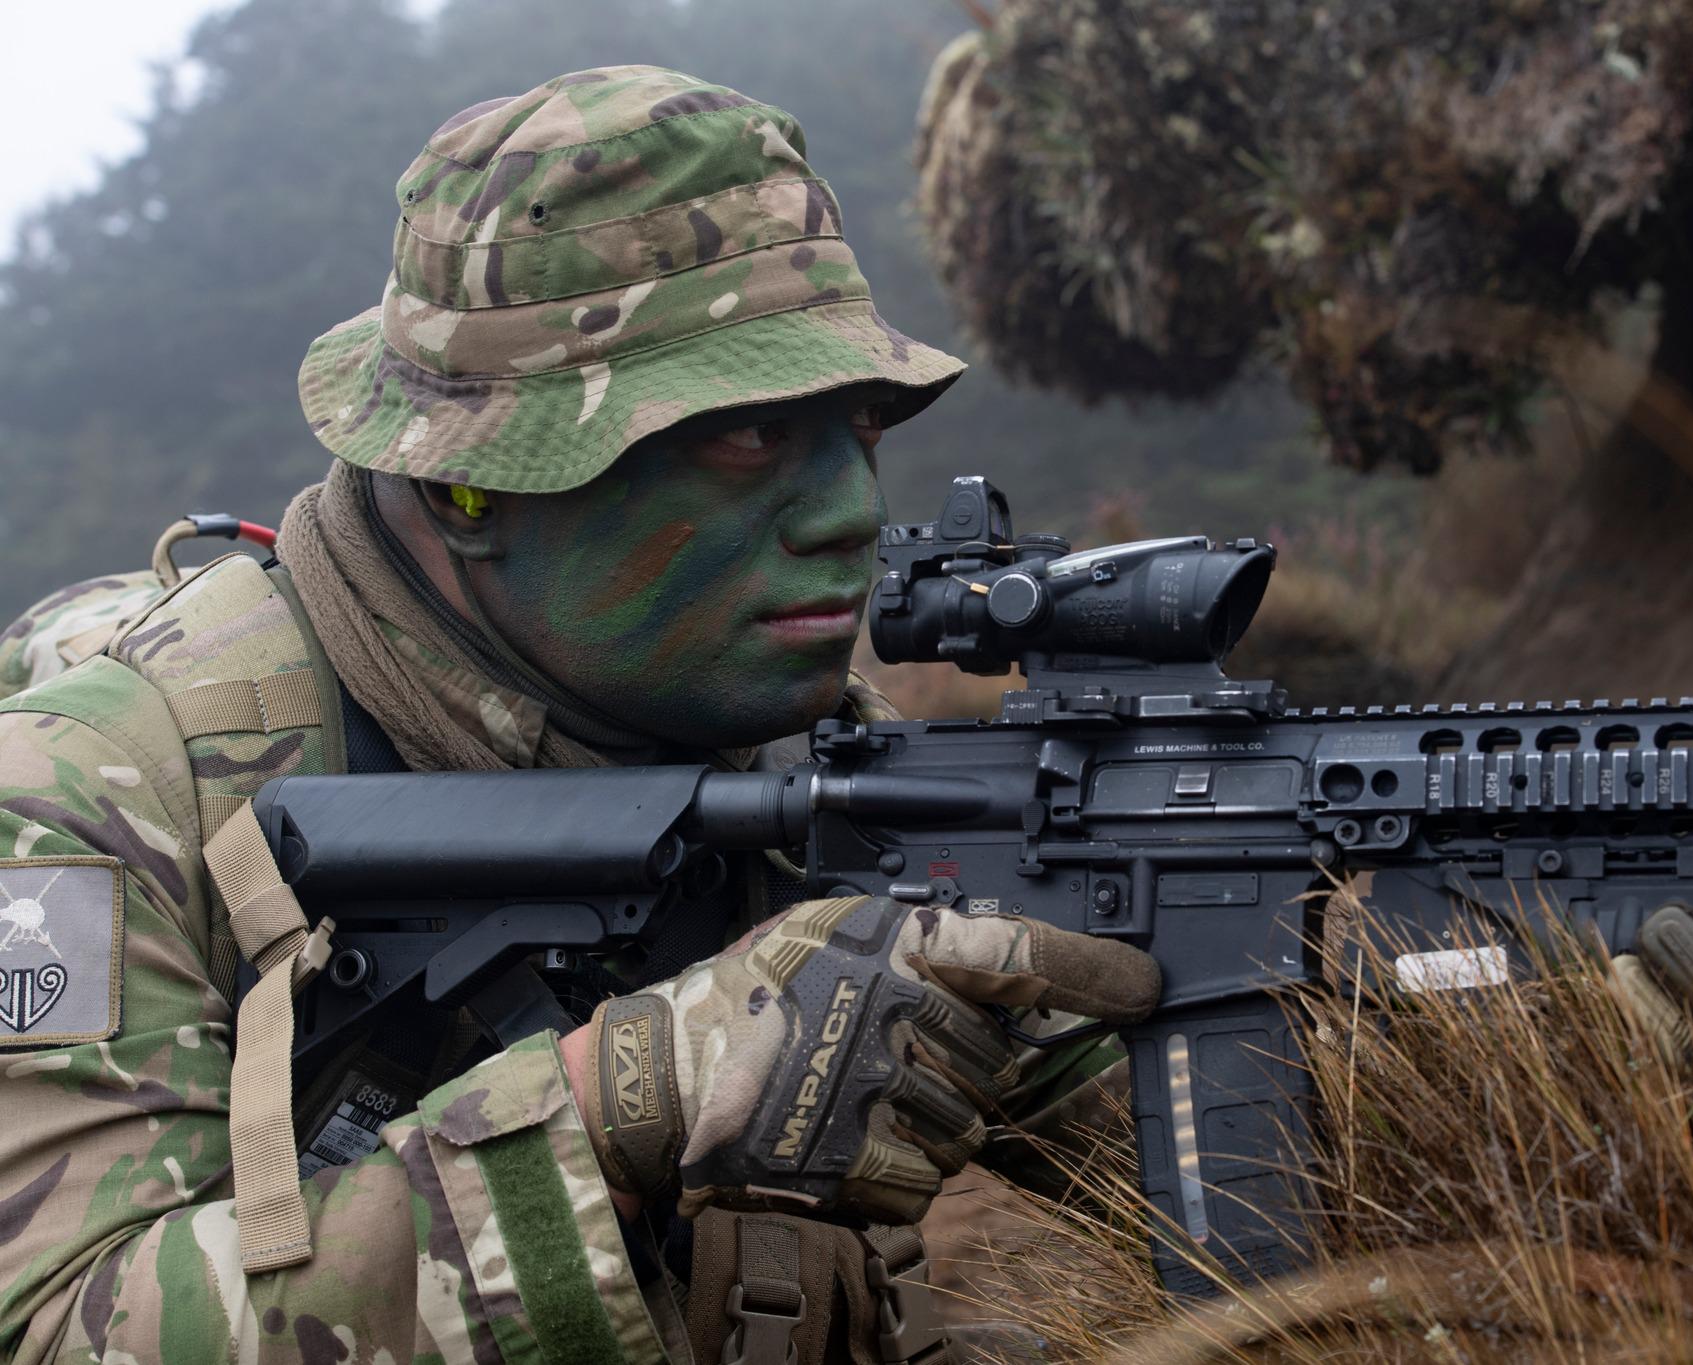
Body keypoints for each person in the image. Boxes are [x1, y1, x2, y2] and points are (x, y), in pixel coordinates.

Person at [0, 66, 1159, 1364]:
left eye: (862, 426)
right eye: (747, 437)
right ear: (465, 487)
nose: (851, 514)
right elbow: (56, 1329)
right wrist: (613, 1105)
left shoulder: (813, 765)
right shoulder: (92, 803)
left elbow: (1178, 1147)